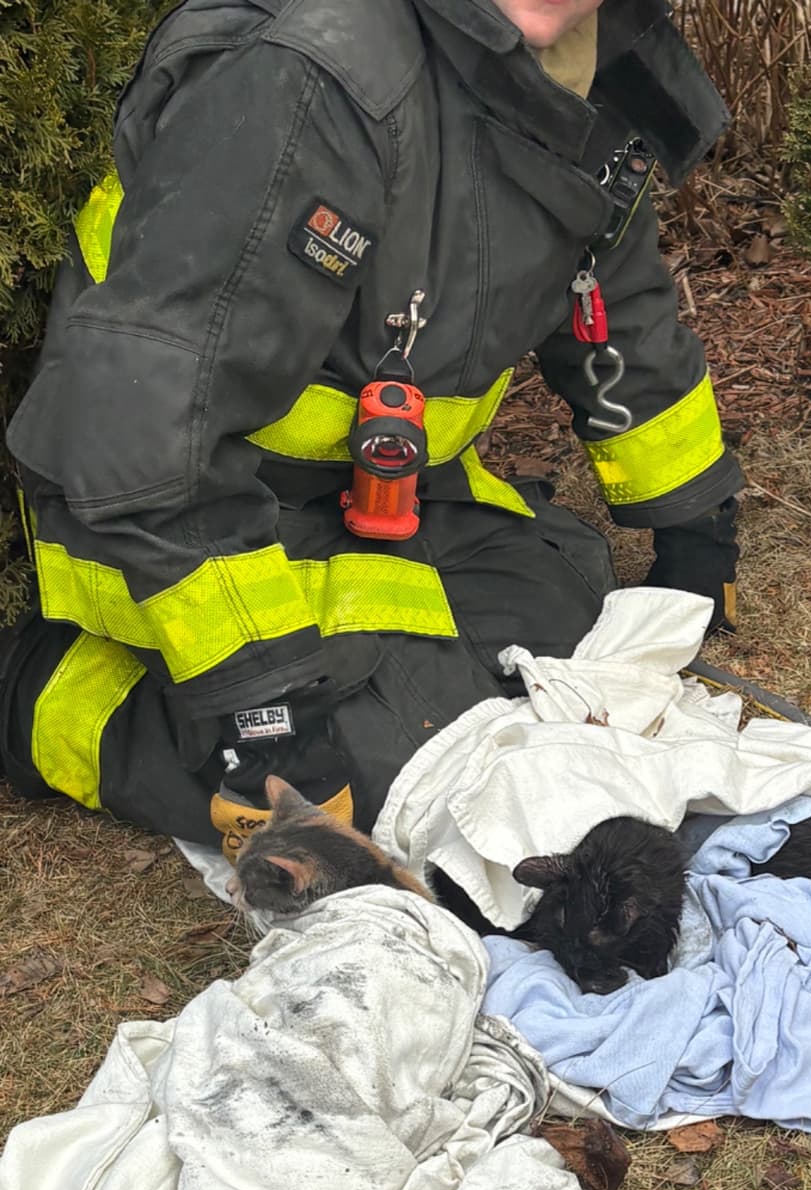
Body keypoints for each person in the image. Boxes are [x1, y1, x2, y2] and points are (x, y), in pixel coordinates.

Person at [0, 0, 742, 857]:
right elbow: (143, 422)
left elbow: (613, 309)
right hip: (175, 507)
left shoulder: (593, 66)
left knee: (569, 625)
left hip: (385, 494)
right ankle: (41, 687)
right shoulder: (310, 75)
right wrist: (267, 716)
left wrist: (696, 523)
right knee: (398, 767)